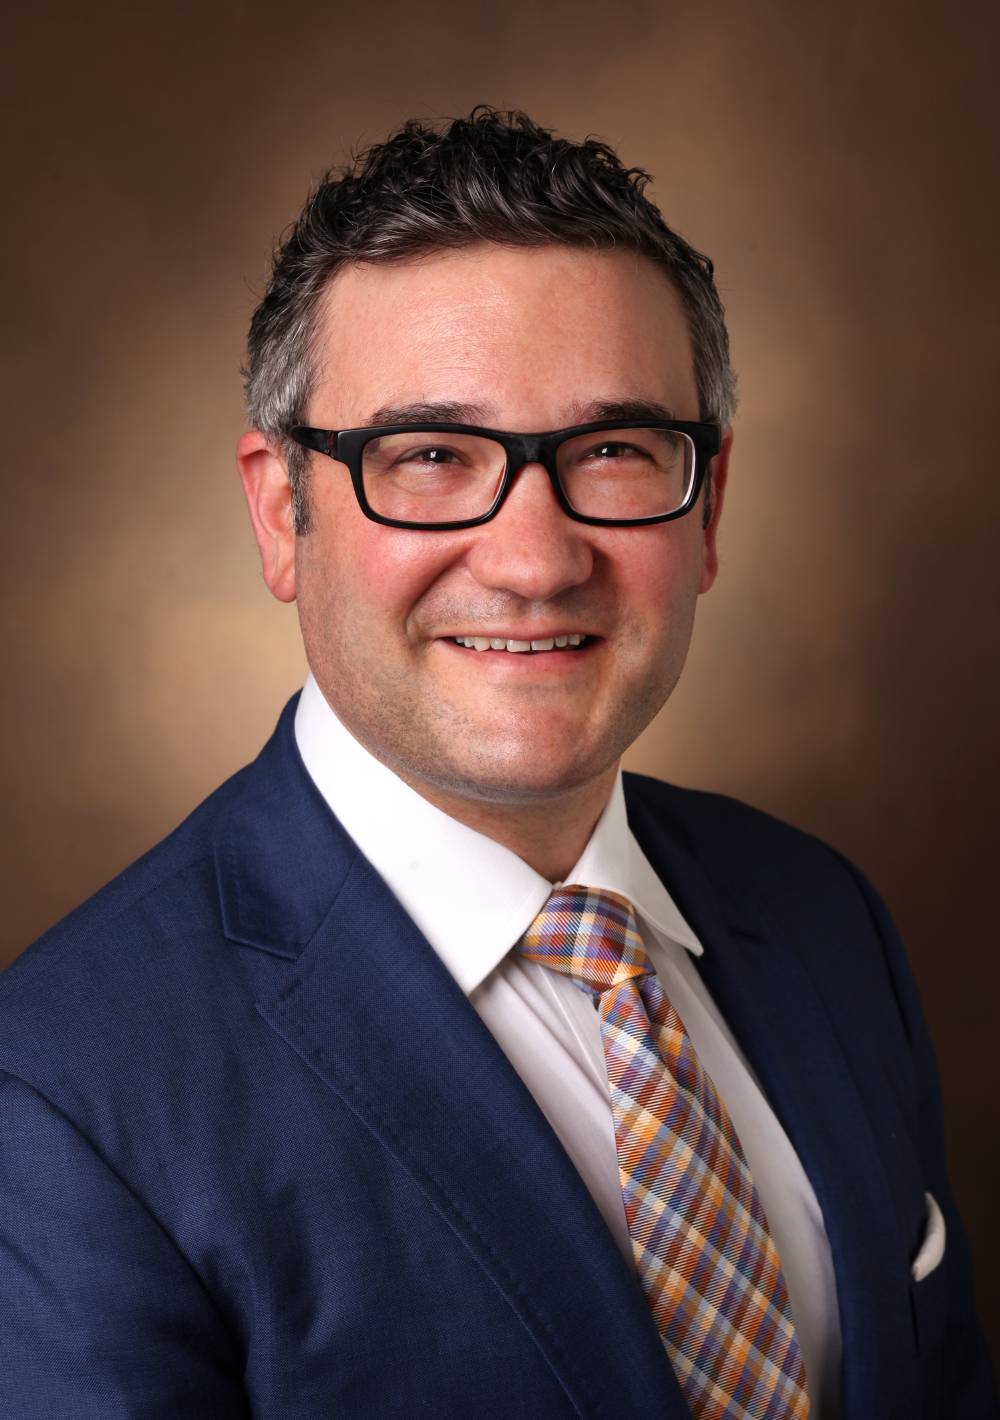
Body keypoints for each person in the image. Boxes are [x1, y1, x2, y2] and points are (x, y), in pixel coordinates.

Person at [0, 108, 994, 1420]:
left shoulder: (824, 917)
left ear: (707, 509)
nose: (534, 561)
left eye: (614, 451)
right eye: (430, 456)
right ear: (281, 512)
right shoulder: (61, 1097)